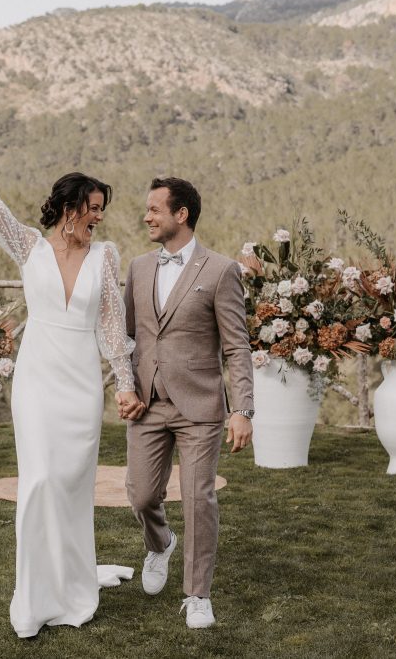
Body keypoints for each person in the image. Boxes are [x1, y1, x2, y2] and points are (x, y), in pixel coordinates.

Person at [0, 121, 146, 638]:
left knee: (72, 486)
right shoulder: (28, 246)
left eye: (101, 210)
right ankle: (34, 597)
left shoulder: (106, 255)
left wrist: (124, 382)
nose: (98, 216)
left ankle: (72, 586)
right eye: (92, 207)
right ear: (69, 209)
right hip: (39, 378)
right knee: (40, 481)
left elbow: (113, 324)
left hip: (82, 386)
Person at [122, 176, 254, 629]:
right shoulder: (138, 267)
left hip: (200, 407)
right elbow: (125, 336)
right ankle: (160, 544)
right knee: (140, 496)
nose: (147, 217)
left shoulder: (220, 270)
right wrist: (124, 386)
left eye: (155, 209)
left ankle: (197, 594)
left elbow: (237, 347)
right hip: (147, 404)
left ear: (182, 214)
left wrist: (243, 409)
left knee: (198, 499)